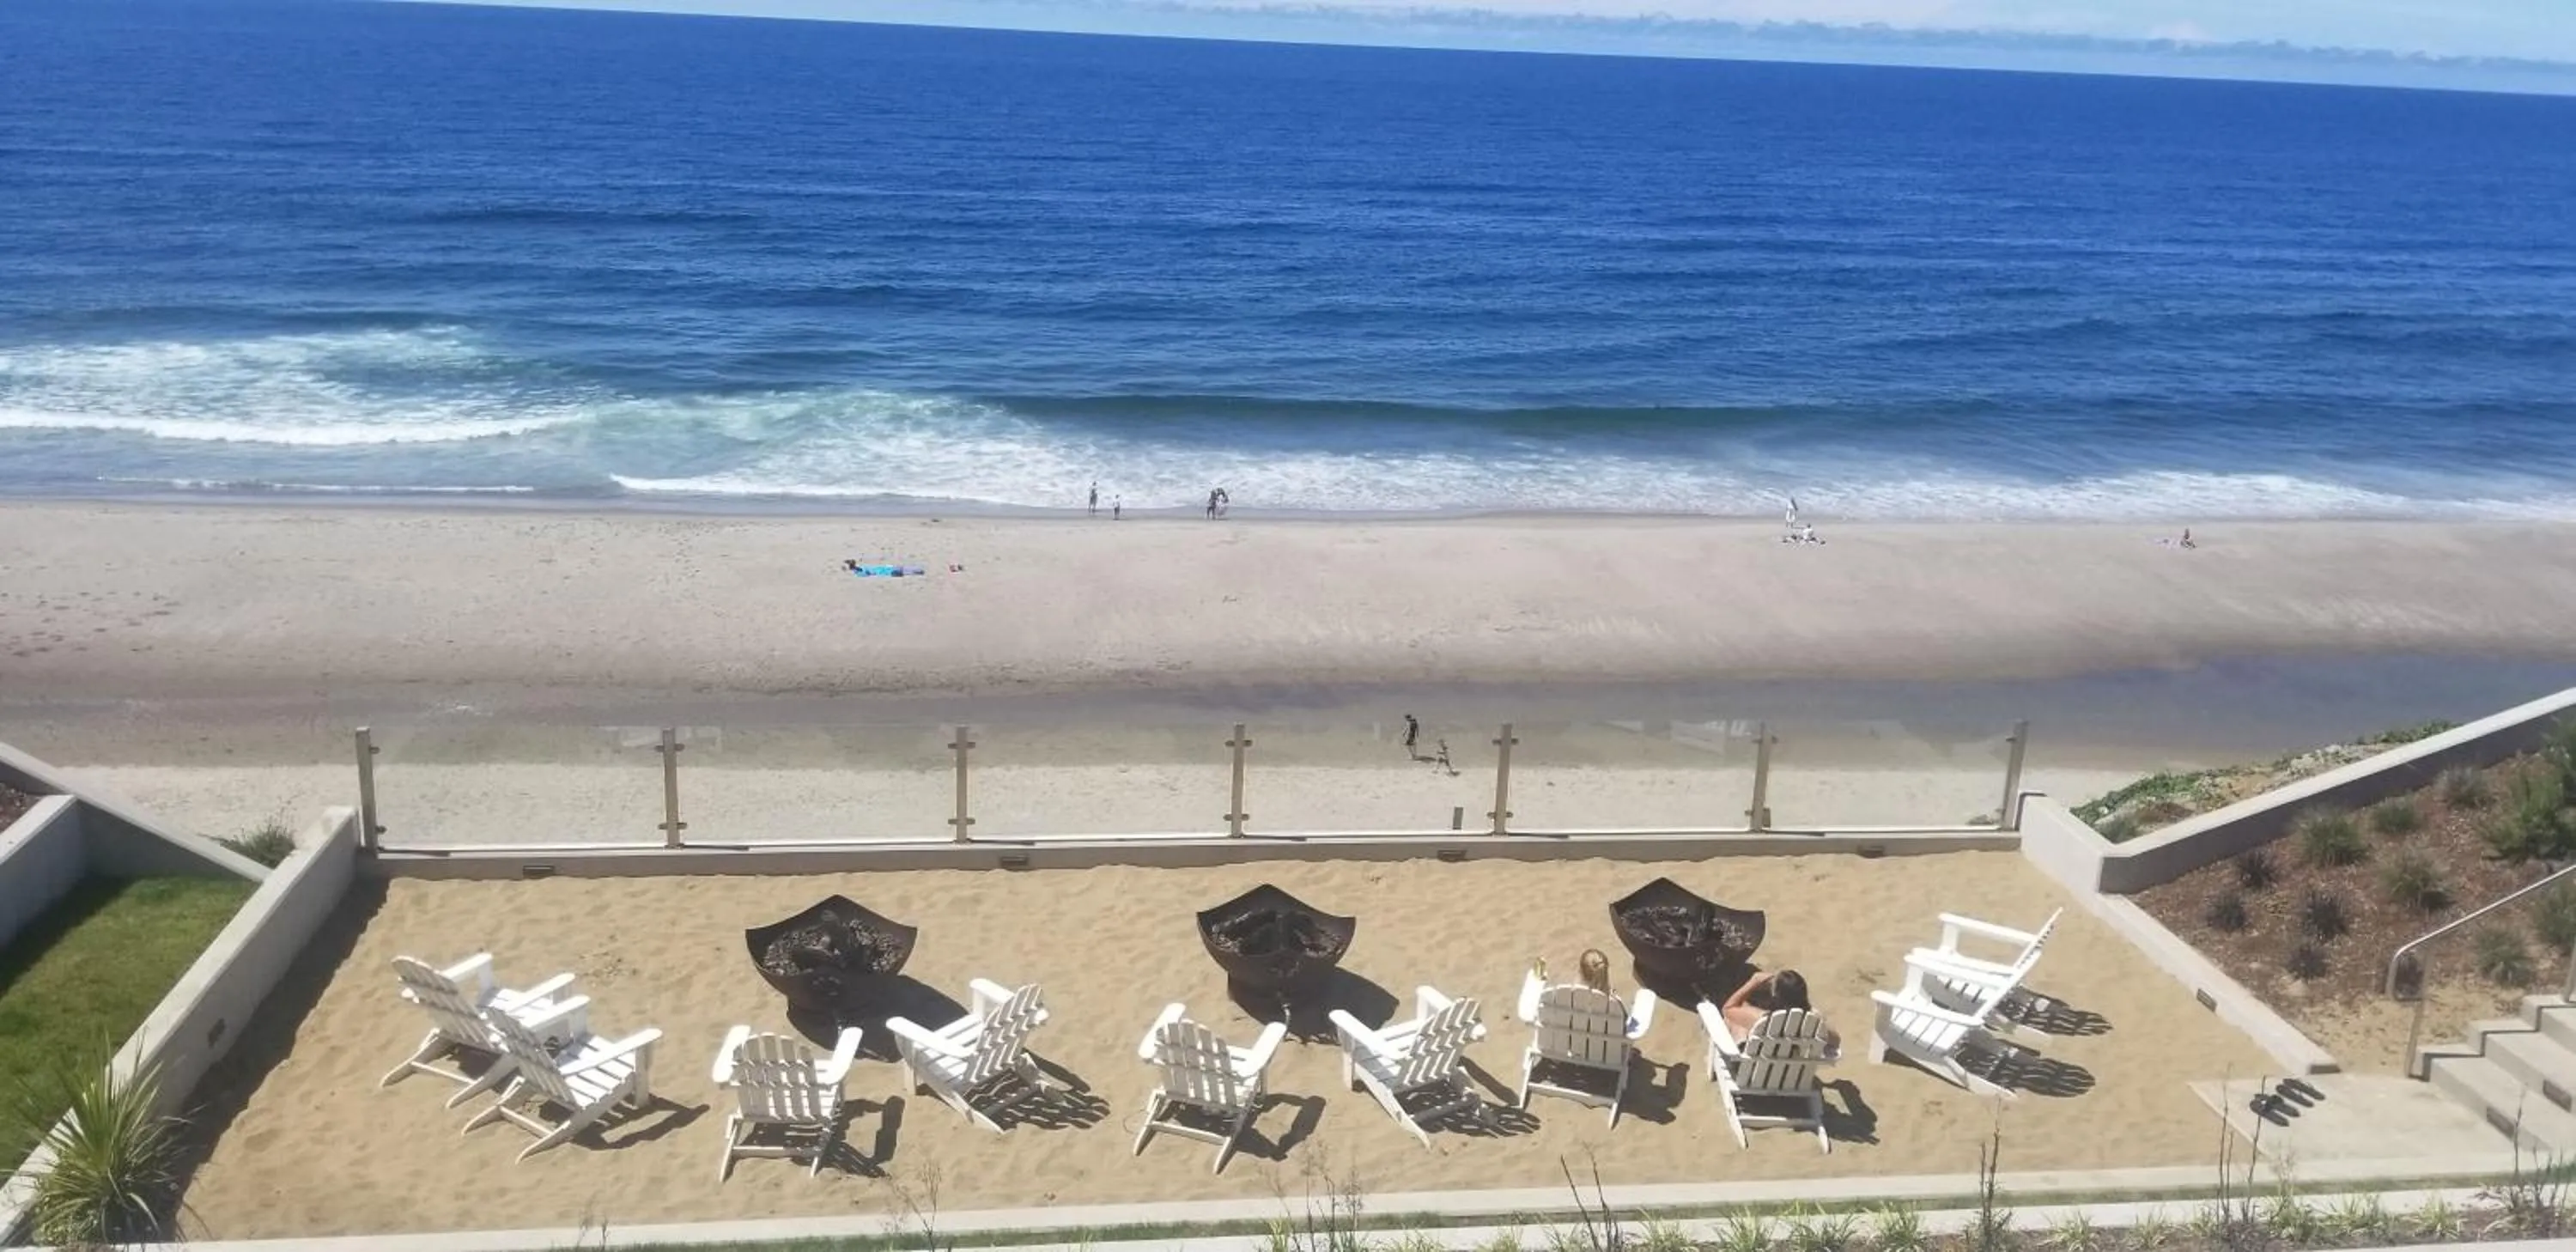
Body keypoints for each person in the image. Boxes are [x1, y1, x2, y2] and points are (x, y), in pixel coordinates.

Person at [1721, 969, 1842, 1055]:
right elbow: (1835, 1041)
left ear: (1775, 994)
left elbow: (1727, 1008)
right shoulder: (1811, 1022)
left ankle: (1741, 1043)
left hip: (1756, 1072)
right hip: (1793, 1075)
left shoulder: (1762, 1019)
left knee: (1739, 1011)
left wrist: (1754, 982)